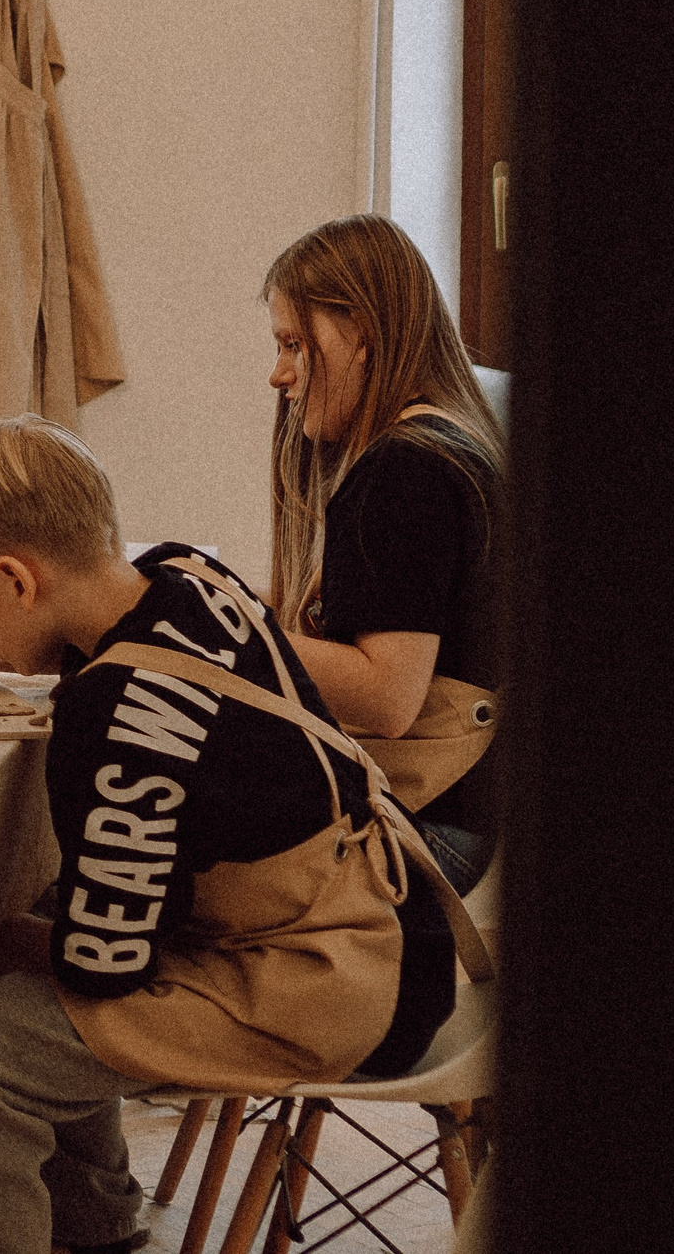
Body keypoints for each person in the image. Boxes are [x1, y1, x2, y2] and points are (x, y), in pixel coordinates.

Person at [0, 417, 458, 1254]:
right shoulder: (184, 575)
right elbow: (84, 645)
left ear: (15, 576)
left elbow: (106, 966)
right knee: (23, 961)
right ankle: (99, 1230)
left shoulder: (110, 725)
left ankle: (62, 1232)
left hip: (319, 985)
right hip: (388, 919)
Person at [264, 214, 506, 892]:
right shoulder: (451, 442)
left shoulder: (403, 468)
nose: (277, 373)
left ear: (360, 333)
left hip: (425, 826)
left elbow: (386, 695)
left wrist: (233, 633)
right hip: (463, 818)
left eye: (293, 343)